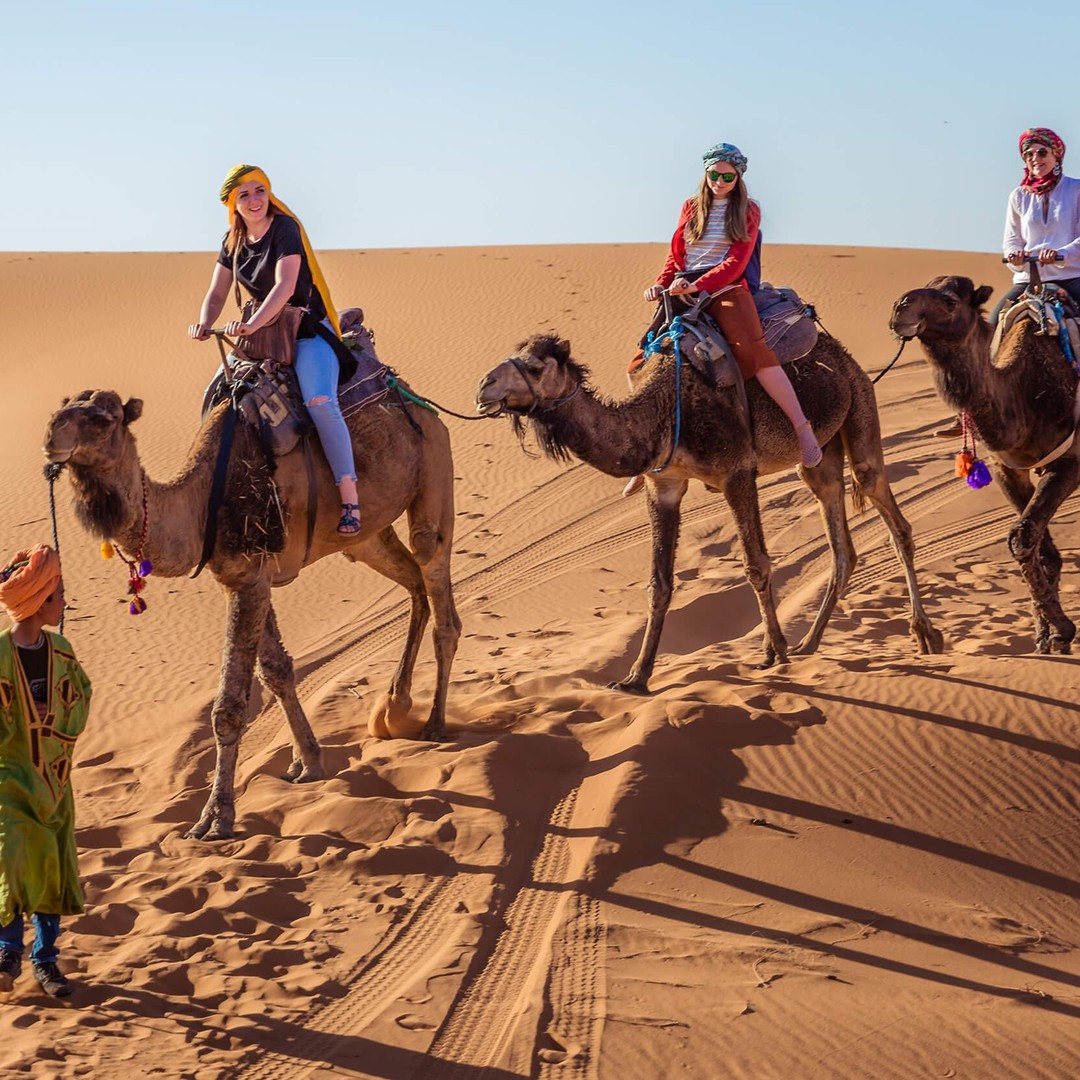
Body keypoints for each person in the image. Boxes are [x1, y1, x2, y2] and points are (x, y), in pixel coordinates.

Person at [625, 142, 822, 496]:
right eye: (714, 173)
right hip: (684, 287)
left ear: (738, 177)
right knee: (641, 362)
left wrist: (698, 284)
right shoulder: (690, 207)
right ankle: (649, 453)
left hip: (726, 287)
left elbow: (736, 261)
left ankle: (802, 428)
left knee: (755, 356)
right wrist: (660, 284)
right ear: (706, 173)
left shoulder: (748, 210)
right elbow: (677, 255)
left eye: (727, 175)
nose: (719, 181)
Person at [189, 165, 362, 535]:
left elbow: (285, 286)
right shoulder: (231, 242)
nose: (254, 200)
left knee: (319, 401)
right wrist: (204, 322)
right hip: (263, 337)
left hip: (306, 329)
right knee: (217, 397)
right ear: (232, 204)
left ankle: (349, 499)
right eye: (244, 195)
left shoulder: (285, 228)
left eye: (260, 191)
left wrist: (252, 324)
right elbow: (217, 292)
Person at [0, 546, 92, 999]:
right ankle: (8, 952)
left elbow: (81, 694)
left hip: (54, 781)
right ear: (38, 601)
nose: (64, 601)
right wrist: (22, 712)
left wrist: (53, 715)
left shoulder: (62, 649)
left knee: (52, 866)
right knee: (13, 862)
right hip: (9, 781)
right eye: (58, 594)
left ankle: (46, 961)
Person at [992, 127, 1080, 324]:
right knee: (990, 328)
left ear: (1056, 155)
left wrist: (1061, 254)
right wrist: (1015, 254)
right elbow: (1012, 238)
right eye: (1028, 154)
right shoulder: (1018, 196)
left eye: (1042, 152)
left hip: (1070, 277)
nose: (1035, 158)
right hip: (1028, 279)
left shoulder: (1076, 190)